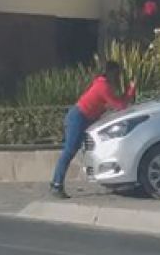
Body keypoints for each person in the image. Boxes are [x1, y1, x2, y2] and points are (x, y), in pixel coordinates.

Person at [50, 61, 136, 198]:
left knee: (81, 149)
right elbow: (119, 105)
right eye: (118, 73)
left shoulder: (102, 83)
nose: (119, 76)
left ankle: (57, 183)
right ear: (113, 73)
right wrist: (131, 90)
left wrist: (128, 93)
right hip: (79, 118)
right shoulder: (104, 87)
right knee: (69, 151)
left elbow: (117, 102)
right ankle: (56, 184)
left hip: (83, 118)